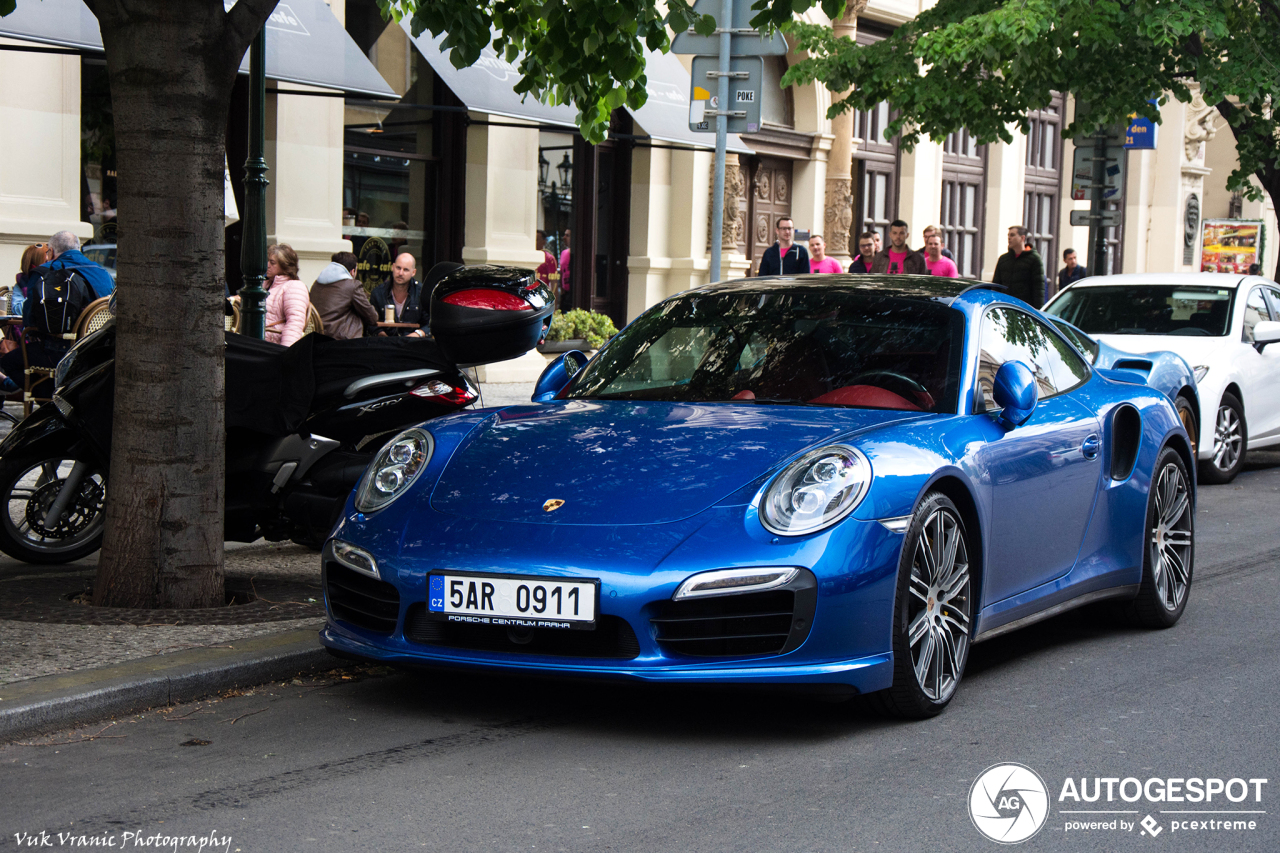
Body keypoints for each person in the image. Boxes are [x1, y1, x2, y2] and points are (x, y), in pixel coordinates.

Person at [310, 251, 378, 341]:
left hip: (316, 338)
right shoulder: (353, 285)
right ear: (352, 271)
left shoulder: (316, 284)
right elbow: (372, 317)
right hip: (342, 342)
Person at [36, 231, 115, 298]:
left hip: (70, 316)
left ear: (51, 251)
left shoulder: (44, 271)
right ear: (78, 248)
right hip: (103, 315)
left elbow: (30, 310)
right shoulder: (104, 272)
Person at [263, 243, 310, 347]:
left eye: (272, 262)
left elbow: (295, 323)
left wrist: (286, 351)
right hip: (258, 342)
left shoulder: (294, 286)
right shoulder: (266, 284)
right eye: (267, 261)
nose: (267, 265)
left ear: (285, 266)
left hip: (273, 346)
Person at [370, 252, 427, 338]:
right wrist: (382, 335)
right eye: (398, 268)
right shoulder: (378, 292)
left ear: (413, 272)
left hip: (413, 344)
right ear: (393, 267)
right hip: (385, 344)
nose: (400, 273)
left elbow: (430, 323)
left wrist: (416, 335)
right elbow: (370, 323)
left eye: (406, 270)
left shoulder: (421, 292)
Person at [992, 225, 1046, 306]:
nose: (1009, 238)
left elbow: (1038, 290)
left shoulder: (1034, 259)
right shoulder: (1003, 259)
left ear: (1022, 238)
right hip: (1004, 306)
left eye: (1012, 235)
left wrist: (1037, 311)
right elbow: (996, 285)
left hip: (1023, 308)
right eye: (1008, 235)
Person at [559, 229, 572, 302]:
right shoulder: (563, 253)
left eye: (567, 235)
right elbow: (561, 272)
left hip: (574, 292)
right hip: (565, 292)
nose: (564, 237)